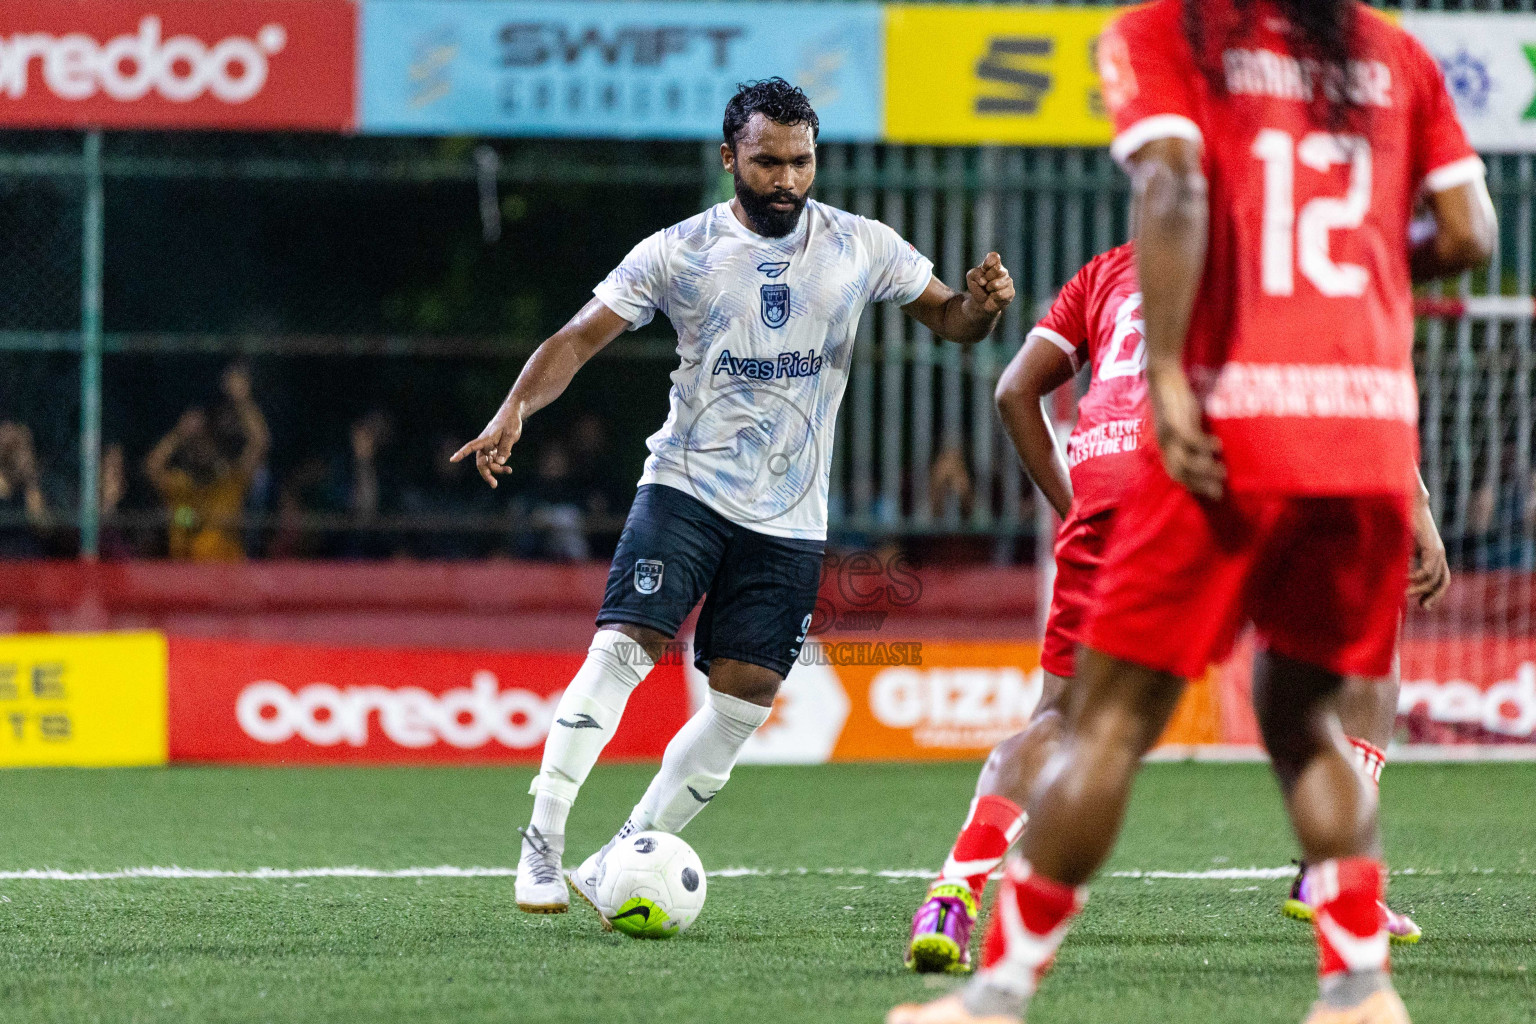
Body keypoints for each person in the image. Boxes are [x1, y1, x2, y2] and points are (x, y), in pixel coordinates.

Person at [889, 2, 1494, 1022]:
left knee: (1106, 726)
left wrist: (1169, 375)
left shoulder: (1171, 33)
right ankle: (1357, 987)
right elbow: (1472, 232)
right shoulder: (1396, 54)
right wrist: (1358, 279)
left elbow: (1169, 185)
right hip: (1359, 433)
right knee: (1307, 723)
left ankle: (996, 991)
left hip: (1229, 435)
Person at [452, 78, 1016, 919]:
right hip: (685, 488)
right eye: (768, 162)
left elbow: (954, 322)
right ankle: (543, 839)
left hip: (790, 519)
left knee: (742, 703)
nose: (787, 179)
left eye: (801, 161)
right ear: (730, 160)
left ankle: (625, 850)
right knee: (625, 648)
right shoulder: (678, 251)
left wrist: (983, 305)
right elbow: (576, 337)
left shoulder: (861, 245)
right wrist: (513, 411)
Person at [904, 241, 1450, 976]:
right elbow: (1347, 376)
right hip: (1236, 468)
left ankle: (954, 891)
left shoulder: (1104, 269)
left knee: (1063, 719)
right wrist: (1413, 506)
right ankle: (1332, 880)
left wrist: (1076, 512)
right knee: (1364, 640)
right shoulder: (1277, 253)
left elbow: (1013, 391)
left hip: (1112, 486)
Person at [145, 364, 269, 561]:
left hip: (227, 582)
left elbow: (259, 442)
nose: (202, 450)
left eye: (207, 442)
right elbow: (152, 466)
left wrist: (242, 400)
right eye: (196, 445)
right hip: (187, 582)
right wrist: (179, 433)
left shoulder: (230, 483)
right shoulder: (179, 485)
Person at [0, 422, 51, 558]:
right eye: (21, 450)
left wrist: (31, 484)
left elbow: (44, 529)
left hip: (29, 567)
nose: (28, 457)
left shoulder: (28, 492)